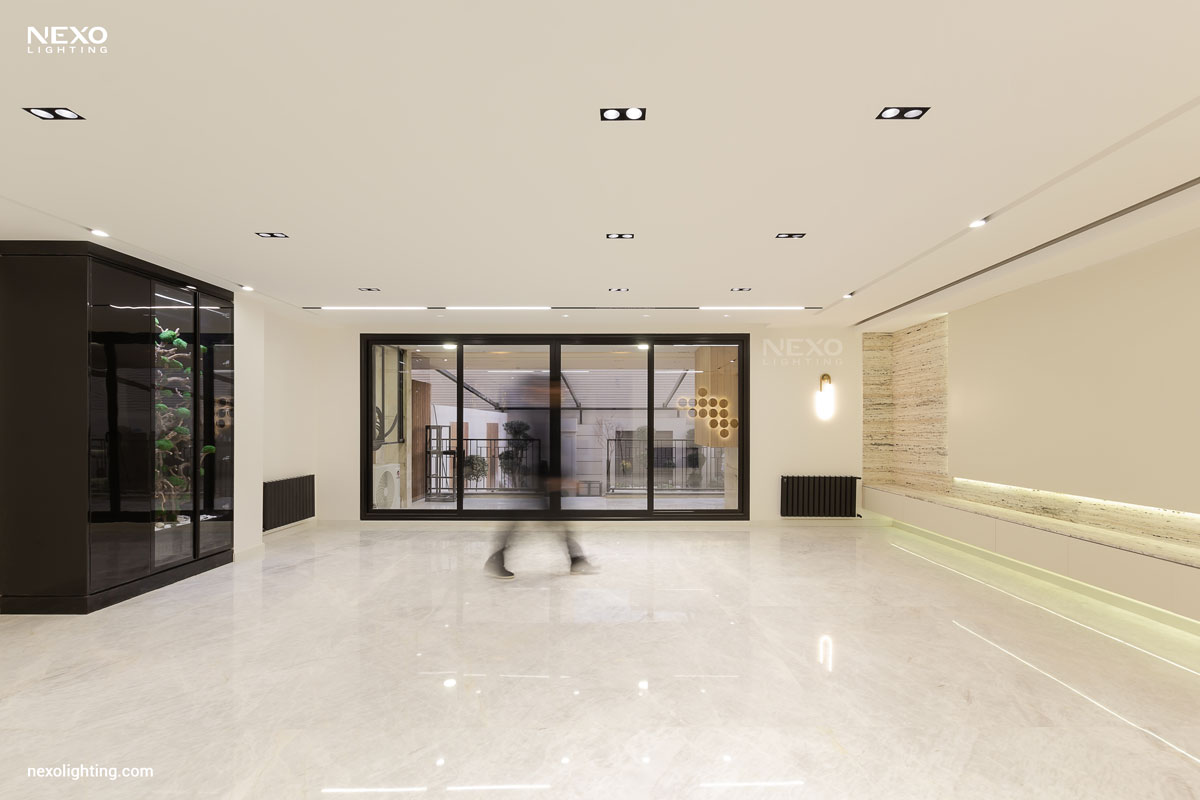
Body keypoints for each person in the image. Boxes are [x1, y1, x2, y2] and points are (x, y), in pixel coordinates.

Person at [484, 460, 597, 579]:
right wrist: (564, 482)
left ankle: (576, 560)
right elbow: (544, 469)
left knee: (554, 524)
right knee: (522, 525)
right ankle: (495, 561)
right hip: (540, 491)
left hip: (542, 491)